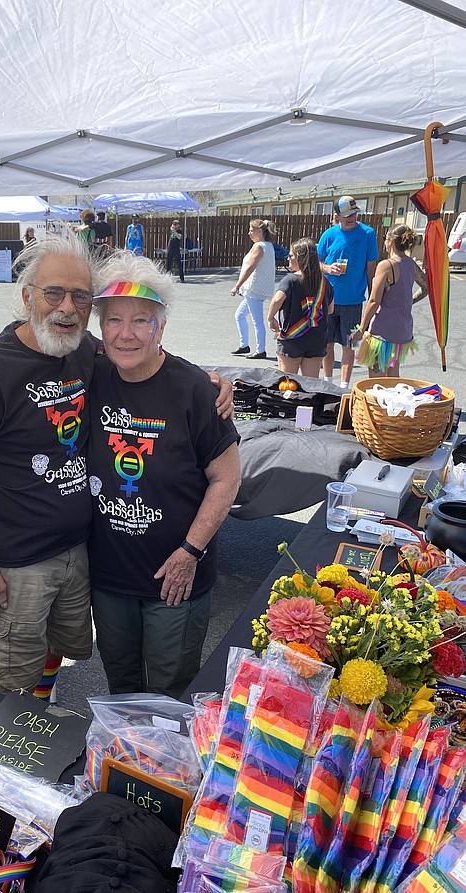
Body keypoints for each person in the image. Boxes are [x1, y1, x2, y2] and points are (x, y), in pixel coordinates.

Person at [0, 236, 232, 697]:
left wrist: (211, 380)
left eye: (80, 296)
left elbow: (144, 352)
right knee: (13, 678)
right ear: (27, 295)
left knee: (69, 653)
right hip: (21, 561)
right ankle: (18, 748)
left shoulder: (83, 351)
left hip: (81, 554)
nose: (67, 307)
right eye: (54, 292)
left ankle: (62, 726)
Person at [88, 254, 241, 697]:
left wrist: (190, 551)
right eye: (113, 320)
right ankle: (126, 763)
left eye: (141, 321)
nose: (126, 333)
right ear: (101, 330)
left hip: (175, 574)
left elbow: (226, 479)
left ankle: (165, 767)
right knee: (121, 683)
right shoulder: (92, 373)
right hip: (110, 575)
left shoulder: (194, 389)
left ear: (161, 329)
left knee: (170, 691)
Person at [317, 196, 378, 388]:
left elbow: (371, 268)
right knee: (326, 345)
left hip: (353, 301)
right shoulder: (329, 234)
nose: (351, 217)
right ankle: (328, 383)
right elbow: (316, 262)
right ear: (337, 216)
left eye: (354, 213)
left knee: (348, 345)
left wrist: (373, 297)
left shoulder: (368, 233)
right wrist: (327, 268)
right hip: (328, 300)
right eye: (346, 215)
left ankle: (343, 387)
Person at [350, 224, 427, 377]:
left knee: (376, 380)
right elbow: (426, 288)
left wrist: (361, 328)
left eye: (385, 239)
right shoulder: (411, 264)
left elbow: (374, 301)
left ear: (390, 241)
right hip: (402, 330)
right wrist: (407, 301)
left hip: (382, 331)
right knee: (393, 376)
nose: (384, 242)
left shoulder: (386, 265)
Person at [267, 238, 334, 378]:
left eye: (291, 255)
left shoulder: (290, 280)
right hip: (316, 338)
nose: (288, 258)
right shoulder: (325, 282)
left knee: (287, 383)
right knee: (310, 384)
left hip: (293, 338)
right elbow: (331, 309)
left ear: (300, 258)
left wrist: (270, 317)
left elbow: (277, 299)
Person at [230, 218, 277, 360]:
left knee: (257, 321)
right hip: (257, 288)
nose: (249, 233)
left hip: (254, 288)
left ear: (260, 231)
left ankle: (260, 350)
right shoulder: (267, 245)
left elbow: (250, 267)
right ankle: (244, 345)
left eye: (251, 230)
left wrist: (237, 285)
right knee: (239, 315)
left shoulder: (259, 247)